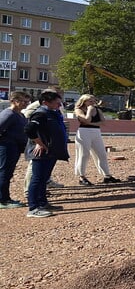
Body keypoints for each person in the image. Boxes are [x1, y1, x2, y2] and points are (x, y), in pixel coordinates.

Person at [24, 90, 70, 218]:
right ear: (45, 102)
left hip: (51, 151)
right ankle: (33, 208)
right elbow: (29, 129)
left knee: (43, 179)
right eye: (57, 103)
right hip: (41, 152)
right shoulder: (40, 113)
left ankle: (43, 203)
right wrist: (39, 143)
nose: (59, 105)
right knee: (37, 179)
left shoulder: (52, 113)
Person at [73, 94, 120, 185]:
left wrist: (92, 123)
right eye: (90, 101)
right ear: (84, 102)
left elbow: (103, 122)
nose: (92, 103)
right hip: (84, 132)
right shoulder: (79, 110)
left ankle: (107, 175)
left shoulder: (98, 110)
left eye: (93, 101)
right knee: (84, 154)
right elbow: (86, 120)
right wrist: (89, 111)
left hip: (96, 132)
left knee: (102, 154)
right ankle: (82, 176)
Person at [0, 91, 31, 209]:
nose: (26, 104)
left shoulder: (20, 114)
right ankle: (3, 200)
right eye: (23, 101)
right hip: (7, 147)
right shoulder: (9, 114)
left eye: (27, 101)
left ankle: (5, 198)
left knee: (8, 173)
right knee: (4, 172)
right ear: (14, 101)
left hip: (15, 147)